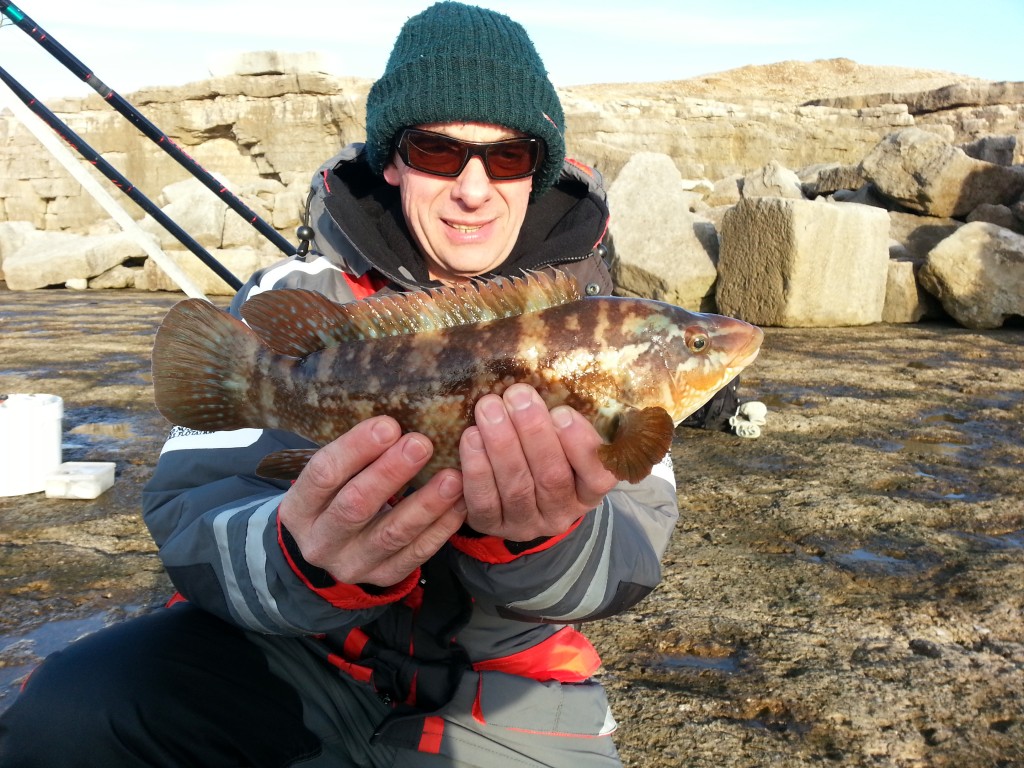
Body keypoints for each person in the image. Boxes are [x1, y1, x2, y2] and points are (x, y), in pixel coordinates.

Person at [0, 3, 679, 766]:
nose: (474, 187)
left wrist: (538, 536)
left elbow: (632, 561)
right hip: (298, 658)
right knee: (73, 711)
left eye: (510, 157)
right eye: (438, 150)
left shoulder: (603, 326)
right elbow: (189, 517)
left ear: (540, 169)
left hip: (508, 686)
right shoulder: (292, 294)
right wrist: (301, 555)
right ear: (393, 158)